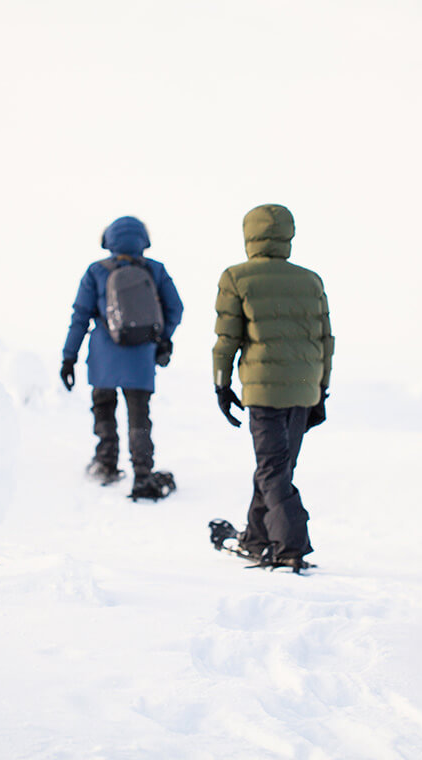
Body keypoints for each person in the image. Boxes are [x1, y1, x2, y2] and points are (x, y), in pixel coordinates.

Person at [212, 203, 334, 571]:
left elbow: (226, 339)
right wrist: (321, 386)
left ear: (249, 234)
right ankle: (257, 535)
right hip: (304, 389)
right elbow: (325, 339)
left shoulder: (236, 277)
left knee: (272, 469)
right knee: (277, 468)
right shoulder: (311, 280)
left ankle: (290, 545)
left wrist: (222, 384)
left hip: (264, 394)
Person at [61, 215, 184, 500]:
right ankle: (142, 475)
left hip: (104, 355)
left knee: (104, 408)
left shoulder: (97, 271)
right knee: (139, 417)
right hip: (141, 357)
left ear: (108, 240)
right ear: (144, 240)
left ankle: (105, 463)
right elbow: (175, 308)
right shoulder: (155, 270)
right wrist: (162, 338)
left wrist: (69, 357)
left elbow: (80, 317)